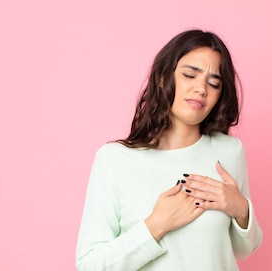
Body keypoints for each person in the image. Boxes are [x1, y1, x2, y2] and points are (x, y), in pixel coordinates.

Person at [75, 29, 262, 271]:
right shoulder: (114, 160)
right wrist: (156, 225)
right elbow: (90, 265)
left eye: (214, 83)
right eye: (189, 75)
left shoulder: (229, 152)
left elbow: (243, 249)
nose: (201, 89)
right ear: (164, 78)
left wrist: (241, 209)